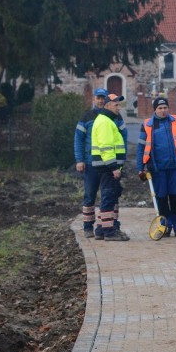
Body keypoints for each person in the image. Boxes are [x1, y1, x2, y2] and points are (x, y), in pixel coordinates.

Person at [74, 88, 127, 239]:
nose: (101, 100)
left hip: (107, 163)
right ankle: (92, 228)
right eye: (99, 98)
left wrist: (120, 161)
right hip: (98, 163)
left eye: (103, 97)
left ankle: (107, 226)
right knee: (94, 195)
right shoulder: (92, 118)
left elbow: (122, 136)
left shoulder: (113, 118)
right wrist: (80, 160)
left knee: (110, 196)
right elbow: (81, 140)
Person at [137, 96, 176, 238]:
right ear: (155, 110)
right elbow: (141, 148)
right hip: (157, 169)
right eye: (160, 108)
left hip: (175, 168)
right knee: (161, 199)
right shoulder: (147, 125)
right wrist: (140, 167)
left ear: (168, 108)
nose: (163, 111)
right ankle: (165, 226)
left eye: (165, 108)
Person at [91, 94, 128, 241]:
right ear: (107, 106)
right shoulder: (105, 122)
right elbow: (106, 147)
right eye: (116, 105)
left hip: (106, 166)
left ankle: (101, 229)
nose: (119, 108)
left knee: (110, 195)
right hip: (107, 167)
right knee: (108, 197)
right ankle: (109, 232)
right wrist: (114, 167)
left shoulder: (106, 120)